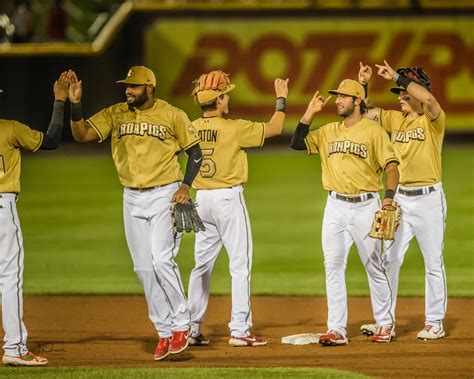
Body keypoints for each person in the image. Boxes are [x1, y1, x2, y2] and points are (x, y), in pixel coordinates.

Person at [66, 66, 202, 360]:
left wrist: (185, 186)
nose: (128, 90)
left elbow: (196, 152)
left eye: (134, 86)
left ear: (149, 88)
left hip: (165, 194)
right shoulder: (116, 113)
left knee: (162, 260)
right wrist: (75, 104)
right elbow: (82, 134)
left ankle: (182, 322)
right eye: (126, 85)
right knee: (143, 268)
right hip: (131, 197)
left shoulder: (172, 114)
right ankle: (164, 331)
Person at [291, 79, 400, 345]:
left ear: (357, 101)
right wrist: (309, 114)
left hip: (366, 206)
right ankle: (337, 328)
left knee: (374, 265)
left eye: (342, 97)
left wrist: (387, 199)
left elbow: (392, 166)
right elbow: (296, 143)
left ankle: (385, 323)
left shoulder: (374, 132)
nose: (337, 100)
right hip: (335, 207)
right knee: (333, 266)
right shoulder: (328, 131)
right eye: (337, 96)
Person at [187, 71, 288, 347]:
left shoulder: (190, 127)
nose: (228, 96)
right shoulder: (233, 128)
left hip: (201, 200)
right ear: (218, 100)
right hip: (228, 201)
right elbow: (276, 128)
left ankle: (191, 328)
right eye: (225, 93)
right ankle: (240, 330)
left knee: (201, 266)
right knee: (240, 265)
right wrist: (281, 99)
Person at [358, 61, 447, 340]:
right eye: (399, 93)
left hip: (429, 199)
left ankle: (435, 322)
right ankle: (385, 320)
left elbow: (429, 99)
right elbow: (362, 114)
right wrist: (363, 84)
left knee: (433, 262)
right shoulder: (394, 119)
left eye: (405, 93)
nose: (400, 97)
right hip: (401, 201)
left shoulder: (433, 119)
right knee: (389, 260)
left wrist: (398, 76)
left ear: (418, 92)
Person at [1, 72, 69, 366]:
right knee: (9, 277)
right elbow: (51, 140)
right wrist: (59, 100)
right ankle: (14, 348)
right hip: (2, 207)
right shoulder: (9, 128)